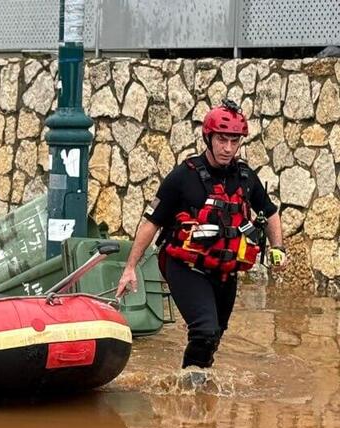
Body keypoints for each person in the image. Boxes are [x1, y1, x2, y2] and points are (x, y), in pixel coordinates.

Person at [116, 99, 286, 369]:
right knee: (204, 331)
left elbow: (270, 212)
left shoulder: (245, 177)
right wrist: (130, 268)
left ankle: (197, 388)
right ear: (208, 137)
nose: (228, 148)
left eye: (234, 141)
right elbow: (151, 222)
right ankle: (191, 391)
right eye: (222, 140)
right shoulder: (183, 177)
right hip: (185, 266)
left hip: (224, 270)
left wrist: (278, 247)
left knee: (214, 335)